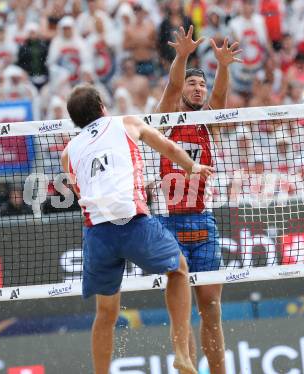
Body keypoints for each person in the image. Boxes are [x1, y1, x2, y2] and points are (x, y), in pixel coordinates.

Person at [61, 84, 213, 374]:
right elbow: (168, 148)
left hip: (98, 233)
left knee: (105, 312)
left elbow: (80, 187)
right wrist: (193, 167)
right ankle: (181, 353)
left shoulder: (68, 152)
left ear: (76, 120)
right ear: (103, 106)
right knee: (179, 270)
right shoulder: (126, 122)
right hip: (133, 222)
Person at [155, 25, 241, 373]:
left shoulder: (208, 122)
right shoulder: (165, 120)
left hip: (203, 221)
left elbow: (219, 99)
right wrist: (182, 55)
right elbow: (173, 86)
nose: (198, 87)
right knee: (182, 311)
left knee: (212, 308)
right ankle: (186, 365)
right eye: (193, 83)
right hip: (169, 224)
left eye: (201, 84)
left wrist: (222, 66)